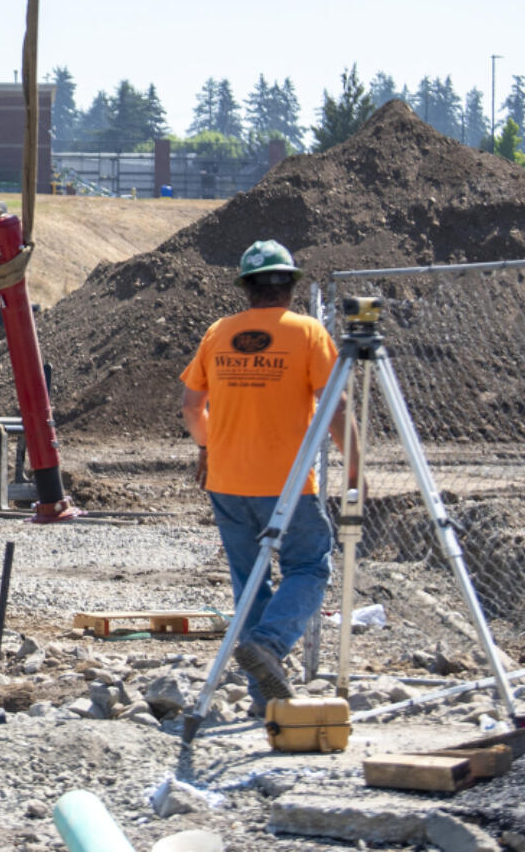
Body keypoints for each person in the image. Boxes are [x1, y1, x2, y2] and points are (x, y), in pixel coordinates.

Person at [180, 239, 359, 712]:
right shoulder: (306, 332)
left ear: (248, 288)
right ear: (290, 287)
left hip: (226, 480)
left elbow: (192, 407)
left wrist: (206, 446)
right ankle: (270, 646)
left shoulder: (219, 333)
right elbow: (336, 407)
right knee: (308, 565)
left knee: (249, 577)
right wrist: (357, 466)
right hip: (288, 482)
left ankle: (265, 694)